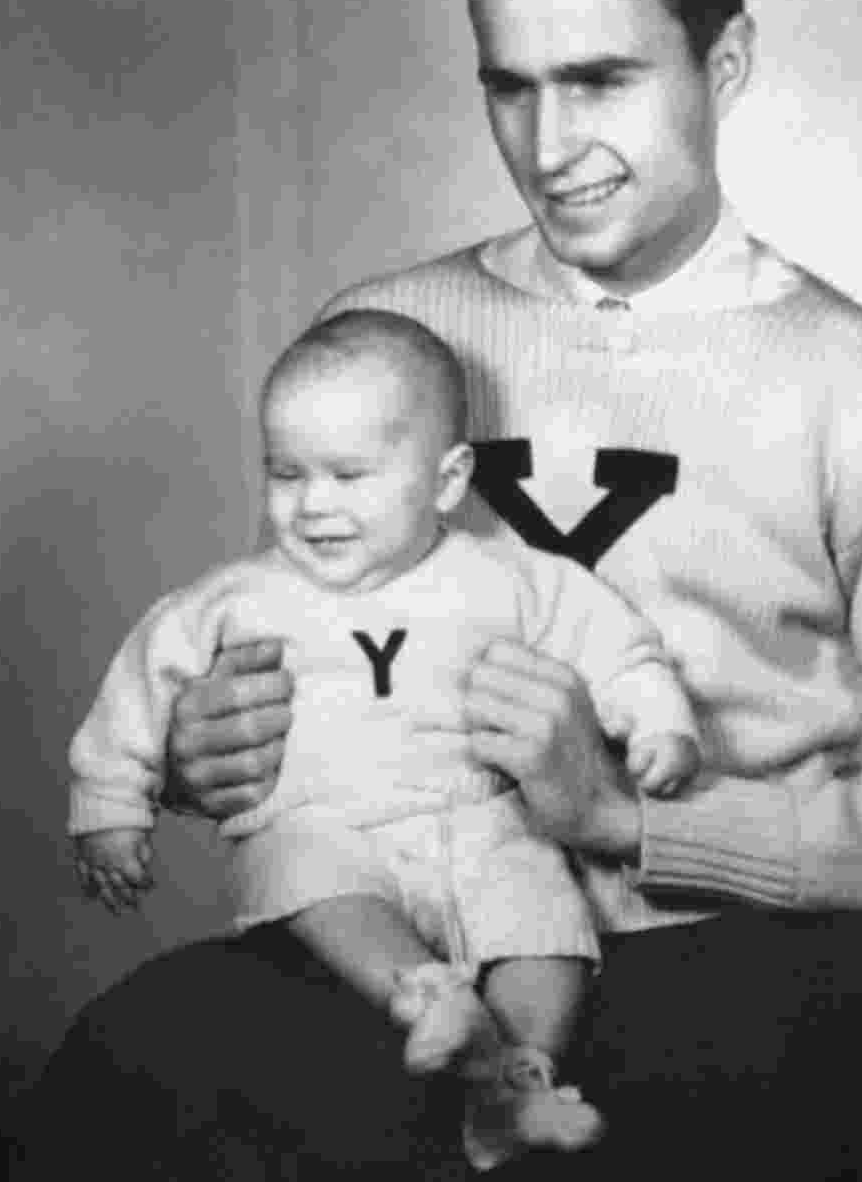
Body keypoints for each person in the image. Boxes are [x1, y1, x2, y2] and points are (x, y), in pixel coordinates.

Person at [22, 0, 862, 1180]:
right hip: (424, 953)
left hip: (753, 973)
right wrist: (212, 754)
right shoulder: (385, 338)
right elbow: (318, 654)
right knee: (128, 1065)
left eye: (602, 80)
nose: (551, 149)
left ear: (724, 64)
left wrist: (625, 821)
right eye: (512, 86)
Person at [66, 307, 701, 1170]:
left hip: (479, 815)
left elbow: (609, 640)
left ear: (446, 481)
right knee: (305, 873)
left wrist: (655, 718)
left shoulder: (505, 575)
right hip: (327, 823)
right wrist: (110, 801)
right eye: (285, 473)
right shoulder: (242, 595)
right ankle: (431, 996)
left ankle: (517, 1082)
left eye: (349, 474)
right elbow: (144, 683)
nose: (313, 504)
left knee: (548, 922)